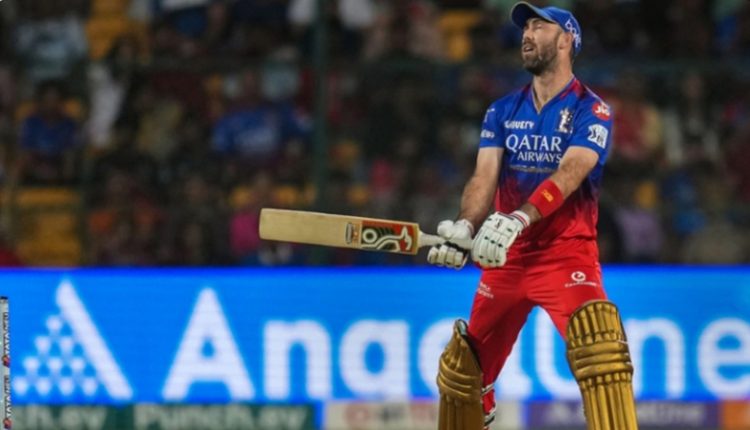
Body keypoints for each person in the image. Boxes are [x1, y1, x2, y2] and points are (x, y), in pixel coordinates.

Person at [426, 3, 638, 430]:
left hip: (565, 255)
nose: (527, 33)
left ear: (566, 40)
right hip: (505, 257)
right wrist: (465, 226)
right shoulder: (502, 110)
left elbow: (571, 171)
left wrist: (519, 218)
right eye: (525, 27)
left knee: (602, 357)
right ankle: (480, 403)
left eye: (539, 26)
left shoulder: (591, 109)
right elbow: (483, 177)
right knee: (462, 377)